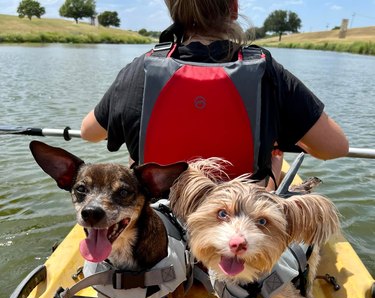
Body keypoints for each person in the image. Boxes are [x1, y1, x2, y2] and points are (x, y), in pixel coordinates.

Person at [81, 0, 348, 188]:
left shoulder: (140, 69)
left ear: (173, 10)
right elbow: (335, 147)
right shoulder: (266, 71)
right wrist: (277, 139)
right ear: (233, 8)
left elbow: (88, 132)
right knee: (274, 160)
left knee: (134, 155)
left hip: (161, 225)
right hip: (234, 227)